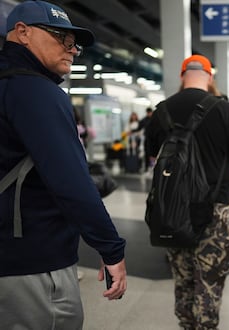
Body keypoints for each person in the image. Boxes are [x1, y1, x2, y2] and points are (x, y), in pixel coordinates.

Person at [0, 1, 127, 329]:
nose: (71, 49)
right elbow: (71, 182)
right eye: (61, 37)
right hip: (30, 260)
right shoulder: (36, 91)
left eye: (75, 44)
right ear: (23, 33)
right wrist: (110, 248)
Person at [146, 54, 229, 330]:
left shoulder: (162, 111)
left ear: (183, 75)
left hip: (173, 209)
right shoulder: (223, 109)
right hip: (216, 210)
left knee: (183, 280)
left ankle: (186, 324)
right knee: (209, 284)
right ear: (209, 76)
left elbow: (153, 158)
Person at [139, 107, 153, 171]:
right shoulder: (144, 120)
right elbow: (139, 127)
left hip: (153, 139)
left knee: (153, 153)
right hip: (147, 139)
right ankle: (147, 166)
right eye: (148, 113)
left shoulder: (154, 119)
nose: (149, 114)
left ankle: (152, 166)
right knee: (147, 153)